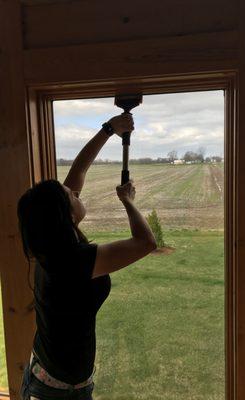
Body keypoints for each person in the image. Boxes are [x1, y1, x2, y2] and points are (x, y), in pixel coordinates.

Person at [17, 113, 157, 400]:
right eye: (71, 196)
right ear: (66, 217)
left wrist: (109, 129)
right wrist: (127, 201)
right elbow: (145, 242)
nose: (76, 192)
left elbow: (79, 170)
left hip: (49, 378)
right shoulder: (73, 261)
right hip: (57, 392)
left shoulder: (52, 246)